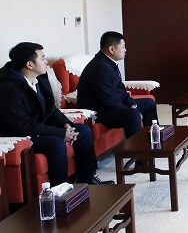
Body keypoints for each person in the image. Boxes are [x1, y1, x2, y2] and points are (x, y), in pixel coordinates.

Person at [0, 42, 113, 186]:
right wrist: (60, 133)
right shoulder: (7, 87)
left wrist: (65, 125)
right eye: (42, 58)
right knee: (56, 143)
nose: (46, 62)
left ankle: (87, 180)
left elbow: (51, 108)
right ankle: (61, 190)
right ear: (30, 64)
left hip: (38, 127)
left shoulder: (40, 77)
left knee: (83, 130)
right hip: (18, 134)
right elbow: (22, 125)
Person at [77, 31, 159, 138]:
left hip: (110, 106)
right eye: (123, 47)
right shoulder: (99, 67)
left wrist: (132, 104)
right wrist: (130, 109)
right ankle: (137, 147)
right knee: (132, 115)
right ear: (112, 49)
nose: (125, 50)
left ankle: (153, 138)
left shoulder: (108, 63)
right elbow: (107, 99)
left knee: (149, 103)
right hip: (99, 111)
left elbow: (120, 89)